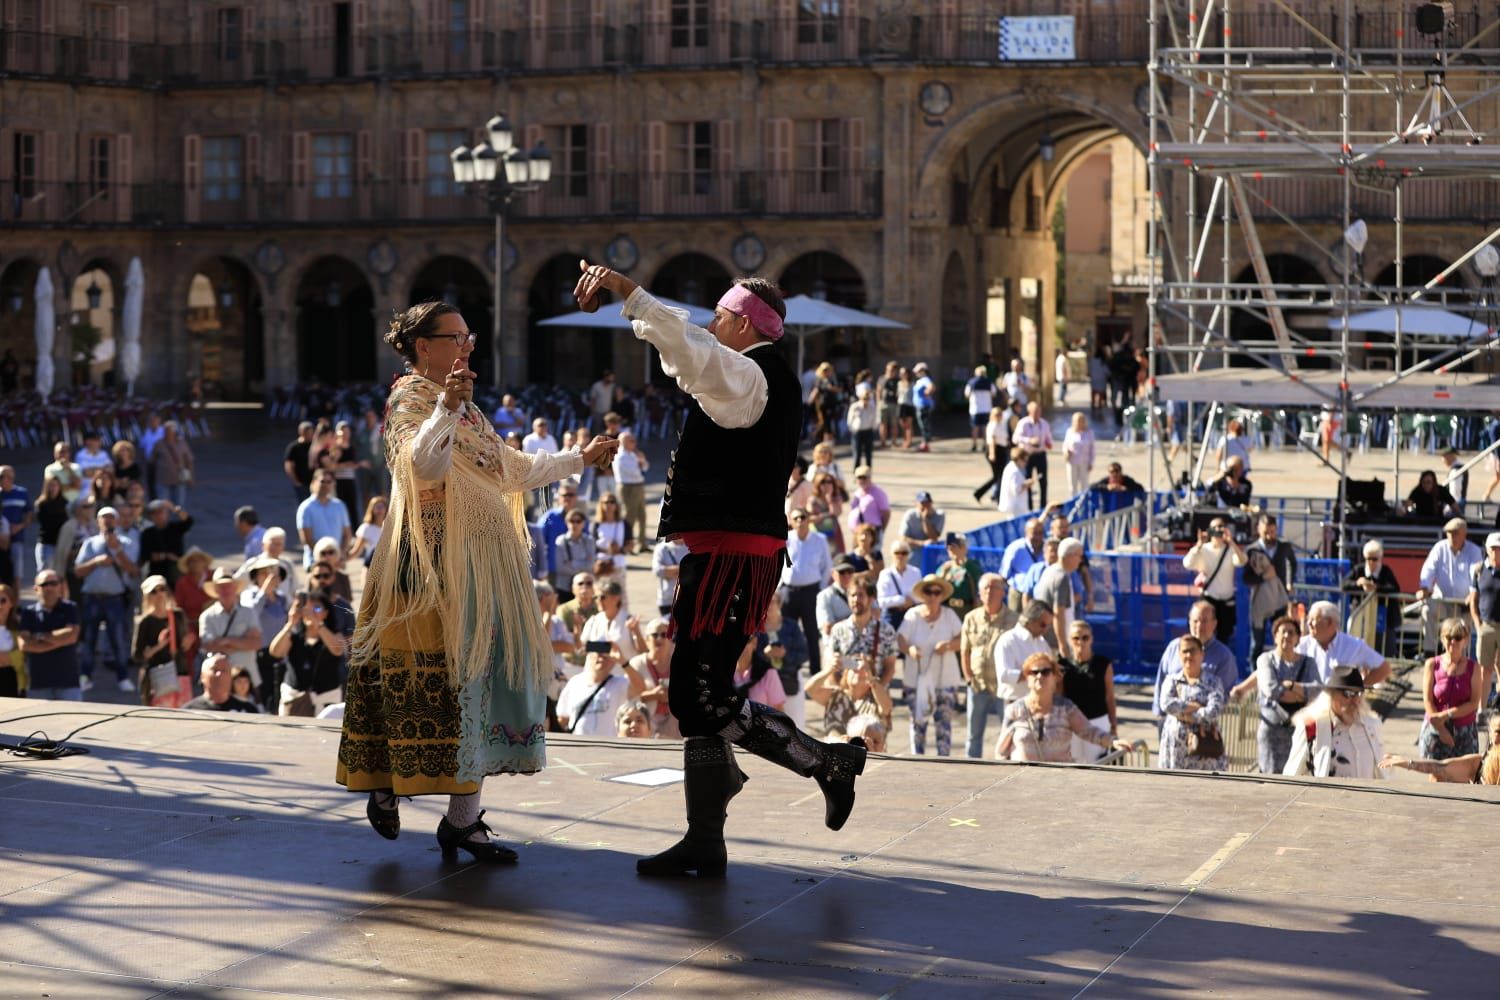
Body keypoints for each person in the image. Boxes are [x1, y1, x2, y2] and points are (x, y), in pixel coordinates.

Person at [575, 260, 869, 879]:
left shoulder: (754, 375)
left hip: (737, 554)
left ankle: (823, 763)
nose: (711, 323)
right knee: (696, 691)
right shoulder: (749, 373)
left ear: (740, 322)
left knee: (699, 691)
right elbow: (699, 356)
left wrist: (632, 295)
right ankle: (706, 834)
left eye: (719, 315)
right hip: (724, 551)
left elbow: (696, 354)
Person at [337, 299, 617, 864]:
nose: (468, 346)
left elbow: (510, 469)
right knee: (423, 681)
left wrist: (579, 459)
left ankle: (462, 822)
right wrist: (444, 406)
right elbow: (421, 467)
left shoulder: (467, 410)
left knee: (478, 684)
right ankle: (387, 783)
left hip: (483, 567)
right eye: (457, 337)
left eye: (471, 337)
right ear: (424, 347)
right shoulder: (409, 401)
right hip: (428, 568)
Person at [997, 651, 1130, 762]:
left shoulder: (1066, 708)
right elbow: (1002, 751)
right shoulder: (1015, 710)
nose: (1039, 676)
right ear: (1026, 677)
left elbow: (1088, 731)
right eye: (1034, 672)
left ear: (1055, 677)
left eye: (1045, 672)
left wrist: (1113, 742)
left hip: (1059, 782)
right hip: (1023, 782)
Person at [73, 505, 140, 693]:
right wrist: (96, 562)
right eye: (104, 517)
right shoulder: (90, 543)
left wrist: (117, 550)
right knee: (89, 641)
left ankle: (123, 677)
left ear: (116, 521)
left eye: (111, 517)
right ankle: (85, 676)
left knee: (118, 640)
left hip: (114, 599)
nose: (108, 521)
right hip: (92, 598)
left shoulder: (127, 542)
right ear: (98, 521)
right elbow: (78, 571)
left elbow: (132, 570)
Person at [896, 574, 961, 754]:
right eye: (928, 592)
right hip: (916, 680)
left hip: (945, 681)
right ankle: (916, 765)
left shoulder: (949, 615)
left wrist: (949, 645)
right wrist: (909, 649)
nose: (932, 596)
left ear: (941, 595)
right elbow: (900, 638)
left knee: (944, 729)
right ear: (922, 594)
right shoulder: (913, 615)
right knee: (918, 726)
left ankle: (944, 765)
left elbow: (964, 640)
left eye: (937, 592)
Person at [1284, 666, 1387, 779]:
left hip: (1368, 796)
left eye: (1358, 693)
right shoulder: (1311, 728)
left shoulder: (1371, 725)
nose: (1355, 700)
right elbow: (1291, 775)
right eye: (1347, 693)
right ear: (1330, 695)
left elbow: (1383, 771)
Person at [960, 573, 1016, 758]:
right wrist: (968, 678)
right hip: (977, 684)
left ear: (1003, 593)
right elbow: (965, 650)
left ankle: (1005, 765)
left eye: (994, 588)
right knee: (973, 733)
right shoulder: (971, 618)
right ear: (979, 593)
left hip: (1003, 686)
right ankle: (971, 767)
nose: (990, 592)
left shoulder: (1014, 620)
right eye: (986, 588)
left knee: (1007, 731)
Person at [268, 586, 347, 716]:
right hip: (294, 702)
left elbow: (337, 650)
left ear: (326, 613)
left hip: (325, 704)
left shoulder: (335, 634)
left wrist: (317, 623)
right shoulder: (294, 636)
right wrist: (290, 623)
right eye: (306, 608)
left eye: (316, 608)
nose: (310, 612)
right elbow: (275, 652)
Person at [1254, 615, 1318, 775]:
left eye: (1291, 633)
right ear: (1275, 636)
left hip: (1300, 731)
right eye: (1282, 632)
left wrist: (1289, 685)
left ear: (1298, 638)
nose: (1287, 636)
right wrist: (1302, 695)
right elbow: (1271, 690)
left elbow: (1317, 690)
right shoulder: (1265, 660)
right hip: (1272, 731)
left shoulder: (1309, 662)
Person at [1152, 601, 1237, 719]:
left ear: (1214, 624)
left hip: (1204, 727)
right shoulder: (1174, 647)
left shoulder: (1224, 657)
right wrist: (1159, 713)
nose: (1199, 626)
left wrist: (1193, 716)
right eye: (1195, 621)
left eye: (1204, 621)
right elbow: (1161, 679)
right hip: (1171, 724)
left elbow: (1224, 697)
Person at [1157, 634, 1227, 771]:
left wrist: (1187, 716)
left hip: (1205, 751)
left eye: (1193, 650)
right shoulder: (1172, 680)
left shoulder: (1213, 682)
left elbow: (1214, 710)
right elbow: (1166, 704)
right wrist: (1193, 707)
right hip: (1175, 750)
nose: (1188, 655)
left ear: (1202, 654)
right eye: (1184, 651)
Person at [1419, 617, 1484, 761]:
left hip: (1464, 731)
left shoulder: (1474, 668)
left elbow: (1474, 703)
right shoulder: (1432, 664)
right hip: (1436, 728)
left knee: (1463, 779)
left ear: (1465, 640)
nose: (1453, 642)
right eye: (1449, 637)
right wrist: (1441, 729)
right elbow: (1428, 700)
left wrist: (1447, 714)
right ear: (1442, 638)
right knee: (1435, 776)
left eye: (1457, 637)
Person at [1295, 600, 1392, 690]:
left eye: (1313, 619)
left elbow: (1384, 669)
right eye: (1308, 619)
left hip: (1341, 704)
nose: (1309, 623)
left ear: (1329, 622)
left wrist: (1357, 688)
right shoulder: (1302, 644)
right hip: (1310, 703)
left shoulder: (1353, 646)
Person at [1382, 712, 1500, 783]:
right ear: (1490, 734)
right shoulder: (1478, 764)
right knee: (1436, 777)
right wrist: (1408, 763)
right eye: (1498, 732)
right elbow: (1440, 767)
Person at [17, 569, 81, 700]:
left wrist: (39, 637)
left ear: (60, 586)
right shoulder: (28, 613)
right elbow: (24, 645)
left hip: (68, 683)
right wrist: (60, 640)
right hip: (38, 684)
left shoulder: (70, 608)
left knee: (75, 720)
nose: (49, 587)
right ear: (36, 588)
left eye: (53, 583)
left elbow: (72, 636)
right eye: (44, 584)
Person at [1060, 620, 1118, 763]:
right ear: (1069, 640)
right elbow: (1060, 697)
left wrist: (1113, 726)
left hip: (1098, 721)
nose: (1081, 642)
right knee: (1074, 764)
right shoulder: (1062, 665)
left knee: (1098, 764)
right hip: (1072, 723)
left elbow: (1110, 696)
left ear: (1091, 639)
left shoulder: (1103, 663)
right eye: (1076, 638)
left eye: (1085, 637)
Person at [1183, 517, 1247, 644]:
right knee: (1202, 632)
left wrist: (1231, 542)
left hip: (1226, 600)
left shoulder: (1229, 550)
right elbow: (1187, 563)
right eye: (1215, 528)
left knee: (1224, 635)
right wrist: (1199, 544)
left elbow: (1242, 561)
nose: (1218, 530)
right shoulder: (1204, 549)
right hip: (1209, 598)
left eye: (1221, 527)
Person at [782, 510, 831, 673]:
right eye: (796, 518)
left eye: (803, 517)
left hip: (811, 592)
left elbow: (827, 567)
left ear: (809, 519)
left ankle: (815, 670)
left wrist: (821, 589)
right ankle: (789, 669)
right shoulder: (787, 539)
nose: (800, 521)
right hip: (789, 591)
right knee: (787, 632)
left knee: (811, 633)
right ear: (792, 521)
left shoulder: (820, 540)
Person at [1242, 513, 1296, 660]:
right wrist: (1262, 577)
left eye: (1272, 532)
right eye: (1266, 532)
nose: (1269, 536)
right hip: (1260, 600)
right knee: (1257, 642)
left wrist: (1290, 582)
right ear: (1259, 529)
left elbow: (1293, 563)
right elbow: (1246, 578)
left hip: (1279, 599)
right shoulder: (1251, 550)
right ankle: (1255, 674)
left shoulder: (1284, 546)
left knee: (1282, 638)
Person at [133, 574, 193, 708]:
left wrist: (188, 641)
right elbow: (137, 655)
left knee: (185, 718)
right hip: (157, 676)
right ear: (147, 596)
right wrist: (160, 645)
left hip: (180, 673)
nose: (159, 594)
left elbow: (184, 645)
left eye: (162, 589)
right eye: (154, 591)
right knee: (160, 719)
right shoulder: (145, 622)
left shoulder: (178, 615)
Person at [1344, 539, 1402, 657]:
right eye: (1368, 559)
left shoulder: (1386, 571)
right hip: (1361, 616)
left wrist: (1376, 587)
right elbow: (1344, 585)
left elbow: (1394, 588)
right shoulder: (1359, 570)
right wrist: (1358, 584)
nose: (1371, 562)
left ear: (1380, 559)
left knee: (1384, 650)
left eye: (1374, 559)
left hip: (1383, 617)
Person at [1034, 538, 1085, 651]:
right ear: (1070, 556)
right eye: (1079, 556)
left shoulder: (1050, 571)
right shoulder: (1061, 577)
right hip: (1054, 642)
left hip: (1046, 638)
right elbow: (1059, 613)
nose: (1080, 561)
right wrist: (1063, 645)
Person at [296, 470, 352, 571]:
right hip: (315, 564)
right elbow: (306, 539)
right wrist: (324, 558)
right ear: (313, 482)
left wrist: (339, 556)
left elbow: (347, 534)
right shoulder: (306, 507)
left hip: (336, 563)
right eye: (322, 481)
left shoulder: (339, 505)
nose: (325, 485)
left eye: (329, 482)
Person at [1469, 532, 1500, 688]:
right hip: (1486, 625)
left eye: (1499, 548)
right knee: (1484, 669)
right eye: (1493, 548)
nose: (1496, 552)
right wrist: (1477, 624)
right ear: (1487, 549)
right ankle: (1481, 708)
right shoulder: (1479, 570)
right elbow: (1473, 600)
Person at [139, 499, 194, 587]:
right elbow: (145, 556)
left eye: (160, 512)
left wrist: (174, 509)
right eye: (154, 513)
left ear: (167, 513)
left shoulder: (175, 528)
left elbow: (188, 521)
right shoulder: (147, 533)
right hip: (157, 576)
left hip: (177, 574)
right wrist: (165, 556)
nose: (158, 516)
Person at [181, 654, 260, 713]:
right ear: (202, 677)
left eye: (224, 670)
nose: (219, 674)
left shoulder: (248, 710)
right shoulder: (189, 711)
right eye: (214, 670)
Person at [612, 431, 650, 552]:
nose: (634, 443)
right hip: (628, 487)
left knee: (642, 515)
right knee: (629, 517)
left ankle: (642, 543)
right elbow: (635, 472)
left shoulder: (633, 454)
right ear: (624, 442)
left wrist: (642, 461)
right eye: (631, 441)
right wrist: (641, 465)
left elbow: (645, 467)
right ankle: (627, 544)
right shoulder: (620, 456)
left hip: (638, 486)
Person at [1013, 401, 1054, 509]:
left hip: (1040, 454)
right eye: (1035, 412)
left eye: (1039, 411)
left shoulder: (1044, 423)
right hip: (1028, 455)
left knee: (1043, 481)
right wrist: (1029, 440)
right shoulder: (1023, 423)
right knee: (1028, 479)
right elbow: (1015, 438)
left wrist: (1048, 443)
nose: (1037, 414)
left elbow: (1049, 438)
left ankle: (1043, 505)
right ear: (1029, 412)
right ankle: (1029, 506)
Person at [32, 476, 69, 587]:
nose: (53, 488)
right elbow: (45, 522)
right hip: (46, 543)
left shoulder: (65, 503)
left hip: (60, 544)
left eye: (56, 485)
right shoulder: (41, 504)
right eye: (51, 485)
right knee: (44, 573)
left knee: (59, 575)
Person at [876, 540, 920, 629]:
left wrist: (911, 601)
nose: (900, 556)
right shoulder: (885, 574)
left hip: (911, 615)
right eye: (897, 553)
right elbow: (881, 601)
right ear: (892, 555)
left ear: (909, 555)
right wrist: (902, 600)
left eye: (904, 553)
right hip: (892, 618)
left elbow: (920, 595)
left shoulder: (915, 572)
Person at [973, 406, 1012, 504]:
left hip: (1002, 450)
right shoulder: (993, 425)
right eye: (997, 415)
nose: (999, 417)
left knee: (998, 476)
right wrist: (992, 453)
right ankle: (997, 496)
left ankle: (980, 493)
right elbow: (992, 441)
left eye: (1000, 415)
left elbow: (1004, 438)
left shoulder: (1001, 425)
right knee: (998, 476)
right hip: (996, 450)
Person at [0, 465, 32, 588]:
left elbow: (29, 514)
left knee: (16, 576)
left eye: (7, 476)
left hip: (16, 539)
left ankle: (15, 606)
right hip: (1, 541)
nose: (4, 479)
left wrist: (20, 526)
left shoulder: (21, 493)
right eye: (1, 476)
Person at [152, 421, 195, 507]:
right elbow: (153, 459)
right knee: (163, 505)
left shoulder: (182, 443)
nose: (166, 433)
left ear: (174, 432)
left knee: (179, 505)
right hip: (162, 479)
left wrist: (190, 476)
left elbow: (189, 460)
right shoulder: (159, 444)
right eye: (165, 431)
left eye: (168, 431)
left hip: (179, 479)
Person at [846, 464, 890, 547]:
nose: (862, 480)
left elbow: (886, 513)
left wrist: (880, 531)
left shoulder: (878, 493)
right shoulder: (857, 493)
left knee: (872, 556)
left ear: (870, 478)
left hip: (872, 532)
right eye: (859, 478)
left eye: (864, 478)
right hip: (857, 532)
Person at [591, 492, 631, 576]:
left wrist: (620, 550)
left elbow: (630, 542)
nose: (609, 505)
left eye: (612, 502)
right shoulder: (596, 524)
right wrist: (607, 550)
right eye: (606, 502)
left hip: (619, 564)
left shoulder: (624, 523)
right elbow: (591, 545)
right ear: (601, 505)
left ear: (616, 505)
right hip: (601, 564)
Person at [808, 472, 847, 554]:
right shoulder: (813, 500)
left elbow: (836, 512)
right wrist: (826, 515)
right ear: (818, 484)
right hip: (818, 534)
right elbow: (810, 519)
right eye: (823, 482)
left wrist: (829, 499)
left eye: (829, 482)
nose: (826, 485)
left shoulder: (836, 498)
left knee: (836, 557)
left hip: (834, 534)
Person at [1062, 412, 1096, 499]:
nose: (1079, 423)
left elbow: (1092, 448)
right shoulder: (1070, 431)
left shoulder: (1089, 432)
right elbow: (1065, 445)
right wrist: (1066, 451)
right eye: (1077, 421)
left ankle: (1084, 503)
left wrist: (1091, 462)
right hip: (1072, 461)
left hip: (1084, 462)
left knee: (1084, 485)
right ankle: (1073, 502)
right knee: (1072, 486)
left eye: (1081, 421)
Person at [997, 445, 1035, 520]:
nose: (1026, 463)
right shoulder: (1015, 471)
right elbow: (1016, 490)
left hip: (1014, 506)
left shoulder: (1011, 468)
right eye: (1025, 461)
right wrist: (1027, 484)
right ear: (1018, 459)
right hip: (1016, 507)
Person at [349, 495, 387, 567]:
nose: (380, 509)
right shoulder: (366, 528)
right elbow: (356, 551)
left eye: (382, 506)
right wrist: (342, 560)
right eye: (377, 506)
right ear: (372, 509)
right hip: (372, 566)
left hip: (389, 566)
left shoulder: (389, 527)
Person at [964, 365, 995, 452]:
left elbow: (966, 394)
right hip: (986, 408)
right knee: (985, 427)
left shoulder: (971, 382)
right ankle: (985, 445)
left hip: (975, 408)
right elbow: (994, 393)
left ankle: (974, 444)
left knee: (975, 427)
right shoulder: (989, 382)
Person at [847, 384, 877, 470]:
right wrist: (852, 429)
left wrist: (873, 428)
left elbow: (874, 419)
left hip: (868, 431)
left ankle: (868, 472)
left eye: (867, 399)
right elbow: (850, 419)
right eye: (864, 398)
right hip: (857, 432)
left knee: (868, 454)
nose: (866, 401)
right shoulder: (855, 406)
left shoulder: (872, 407)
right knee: (857, 453)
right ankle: (856, 472)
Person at [283, 421, 316, 502]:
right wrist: (295, 481)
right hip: (301, 483)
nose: (311, 435)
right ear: (301, 433)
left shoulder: (314, 445)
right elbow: (288, 466)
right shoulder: (294, 447)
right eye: (308, 433)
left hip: (314, 482)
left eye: (312, 433)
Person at [876, 360, 900, 449]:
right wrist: (878, 402)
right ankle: (883, 442)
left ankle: (894, 442)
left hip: (894, 404)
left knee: (894, 424)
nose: (889, 371)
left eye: (891, 370)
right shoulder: (882, 378)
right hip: (883, 403)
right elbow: (878, 390)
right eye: (888, 369)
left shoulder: (898, 380)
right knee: (883, 424)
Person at [896, 366, 916, 449]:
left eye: (904, 373)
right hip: (901, 405)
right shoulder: (899, 383)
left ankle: (909, 441)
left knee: (909, 425)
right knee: (902, 424)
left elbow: (914, 396)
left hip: (909, 405)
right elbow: (897, 394)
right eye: (901, 373)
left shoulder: (912, 384)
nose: (902, 375)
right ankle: (905, 439)